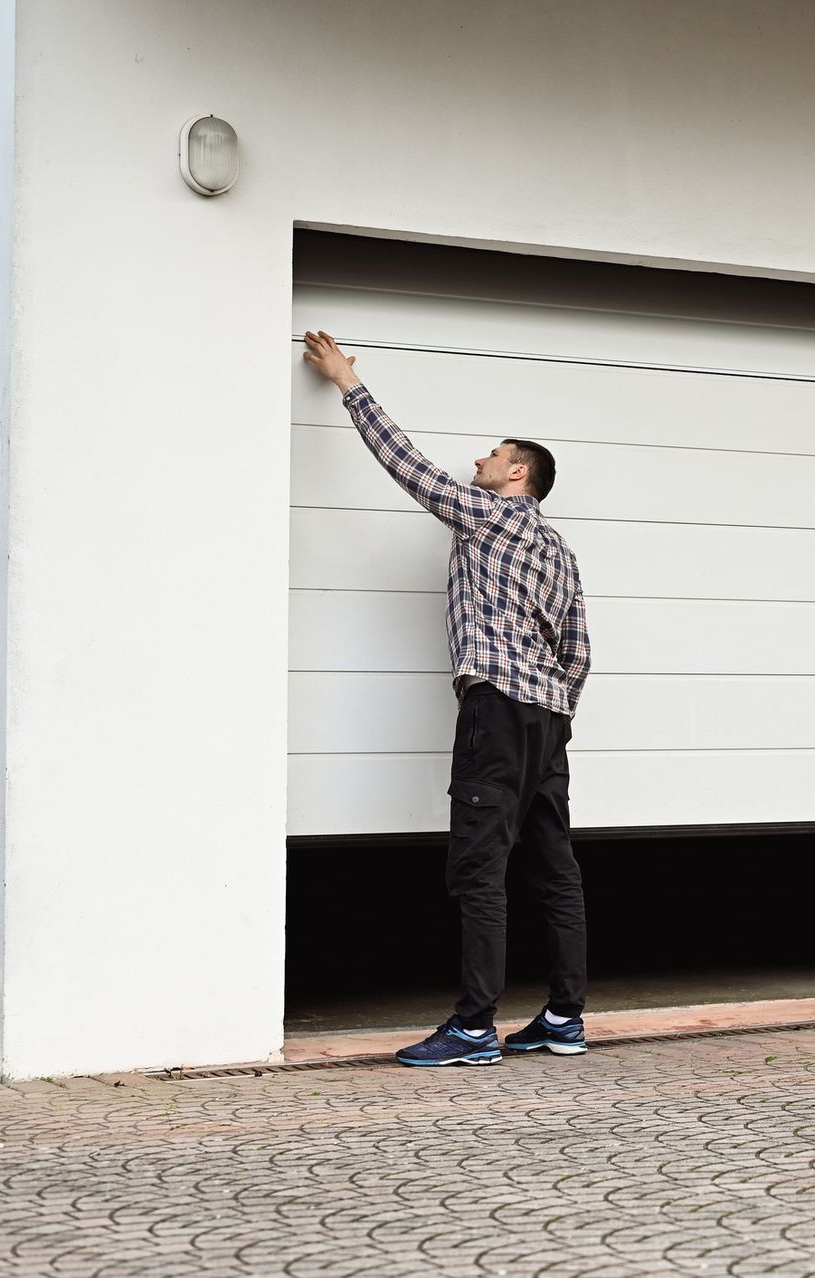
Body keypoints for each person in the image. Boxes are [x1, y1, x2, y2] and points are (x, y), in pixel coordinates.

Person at [302, 330, 593, 1067]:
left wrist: (347, 383)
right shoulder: (559, 548)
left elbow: (408, 467)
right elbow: (578, 650)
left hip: (497, 710)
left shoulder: (487, 514)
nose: (478, 463)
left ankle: (472, 1027)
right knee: (553, 867)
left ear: (517, 473)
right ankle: (564, 1018)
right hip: (547, 720)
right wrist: (555, 714)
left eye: (492, 456)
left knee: (480, 865)